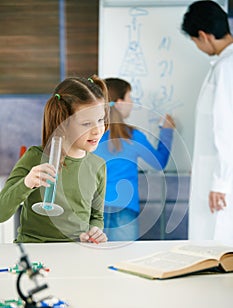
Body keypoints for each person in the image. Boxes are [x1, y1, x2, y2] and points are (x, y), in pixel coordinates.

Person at [0, 76, 109, 243]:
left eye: (101, 120)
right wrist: (27, 183)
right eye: (86, 123)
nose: (97, 130)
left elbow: (96, 216)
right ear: (63, 123)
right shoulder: (35, 157)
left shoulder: (97, 166)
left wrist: (95, 230)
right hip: (34, 252)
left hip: (77, 254)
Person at [94, 78, 175, 241]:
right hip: (125, 208)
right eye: (129, 97)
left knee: (94, 260)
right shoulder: (134, 137)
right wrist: (167, 132)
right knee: (123, 260)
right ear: (119, 102)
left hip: (94, 209)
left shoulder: (92, 136)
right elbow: (159, 163)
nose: (132, 102)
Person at [181, 1, 233, 244]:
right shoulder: (222, 65)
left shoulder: (227, 68)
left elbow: (226, 128)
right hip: (214, 172)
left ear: (203, 36)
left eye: (194, 41)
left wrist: (220, 182)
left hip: (221, 178)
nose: (198, 46)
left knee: (215, 241)